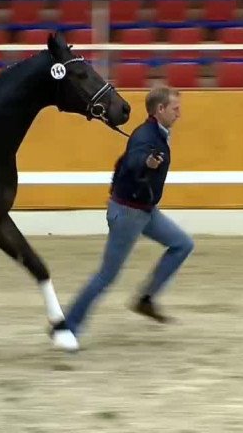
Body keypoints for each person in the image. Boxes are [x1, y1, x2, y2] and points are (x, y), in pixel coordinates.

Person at [63, 85, 194, 339]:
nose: (179, 114)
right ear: (160, 109)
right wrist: (146, 163)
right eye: (175, 109)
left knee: (182, 244)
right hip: (128, 214)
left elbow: (124, 163)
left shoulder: (156, 133)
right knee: (106, 276)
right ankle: (69, 325)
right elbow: (134, 161)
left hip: (143, 211)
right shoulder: (146, 136)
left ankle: (146, 299)